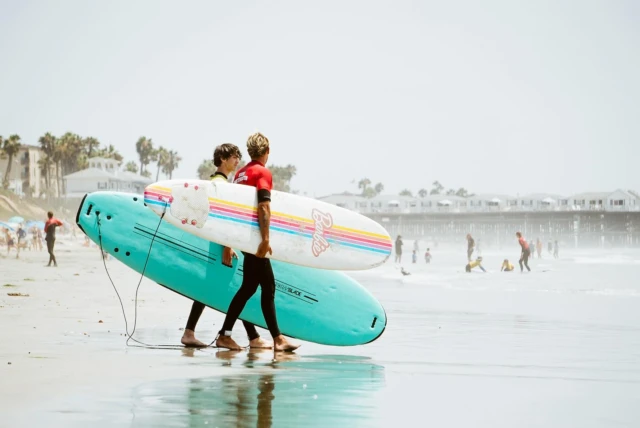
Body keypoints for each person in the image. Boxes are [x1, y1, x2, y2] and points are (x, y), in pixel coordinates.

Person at [181, 143, 271, 349]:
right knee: (232, 288)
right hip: (220, 243)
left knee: (231, 287)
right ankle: (192, 333)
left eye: (238, 157)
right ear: (222, 159)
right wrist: (227, 245)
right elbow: (222, 217)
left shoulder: (220, 181)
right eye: (233, 157)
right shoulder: (219, 183)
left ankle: (251, 336)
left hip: (219, 242)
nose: (237, 160)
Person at [215, 133, 299, 352]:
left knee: (253, 286)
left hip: (243, 238)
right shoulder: (262, 172)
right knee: (263, 288)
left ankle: (232, 334)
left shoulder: (240, 174)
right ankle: (275, 339)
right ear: (267, 151)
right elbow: (263, 206)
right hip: (255, 239)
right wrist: (266, 239)